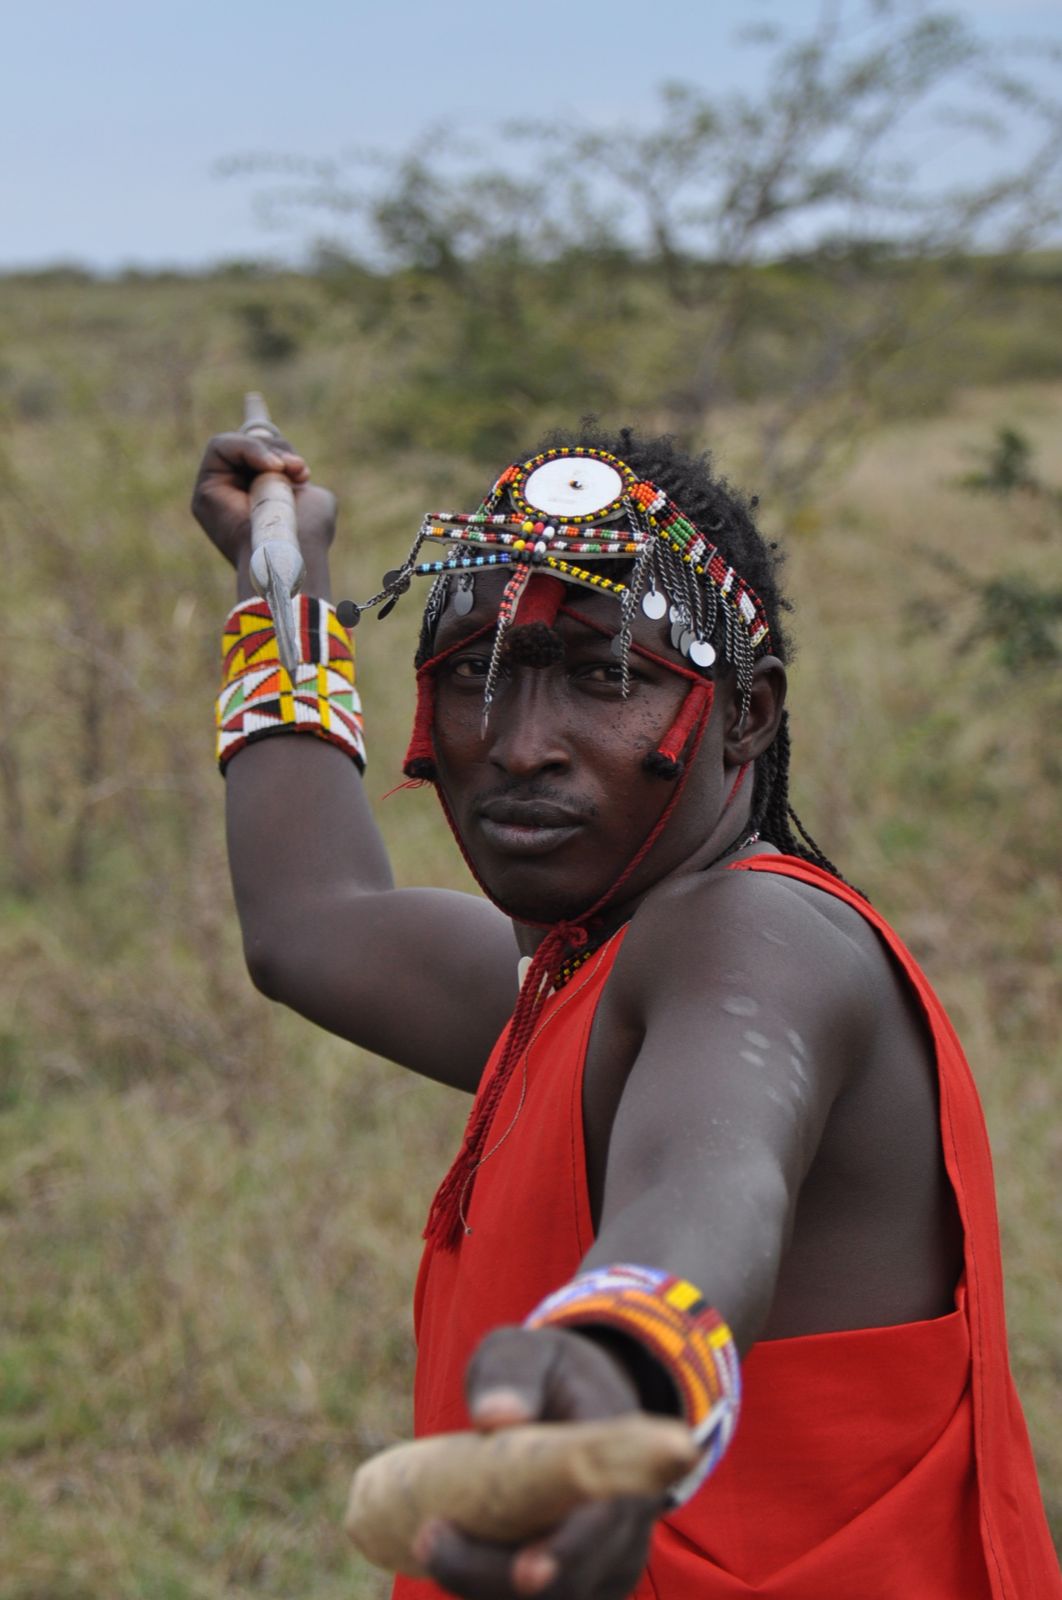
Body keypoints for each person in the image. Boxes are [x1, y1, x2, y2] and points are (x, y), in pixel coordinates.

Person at [192, 426, 1059, 1600]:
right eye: (475, 676)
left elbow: (713, 1183)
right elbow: (313, 919)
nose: (516, 744)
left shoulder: (758, 940)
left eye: (607, 678)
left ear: (747, 716)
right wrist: (277, 586)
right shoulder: (570, 976)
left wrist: (625, 1360)